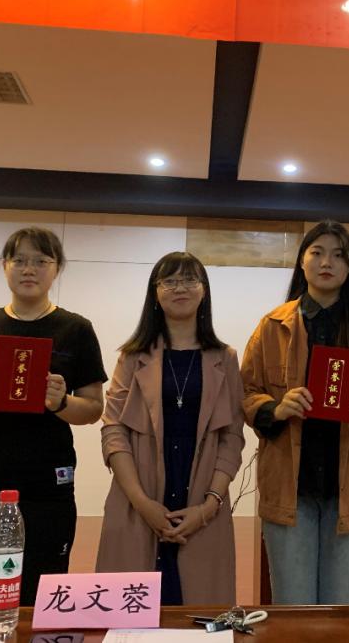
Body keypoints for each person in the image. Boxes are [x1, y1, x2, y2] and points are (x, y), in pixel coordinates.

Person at [0, 226, 106, 607]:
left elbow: (94, 409)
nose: (29, 269)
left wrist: (60, 403)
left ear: (57, 268)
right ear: (4, 266)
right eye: (19, 260)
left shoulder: (76, 329)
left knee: (38, 596)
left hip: (45, 486)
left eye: (41, 261)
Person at [241, 219, 349, 604]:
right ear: (302, 261)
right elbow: (246, 392)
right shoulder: (273, 325)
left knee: (342, 608)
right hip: (290, 487)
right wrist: (276, 408)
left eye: (338, 255)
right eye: (317, 252)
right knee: (293, 605)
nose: (326, 262)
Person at [96, 252, 244, 605]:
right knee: (131, 613)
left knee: (198, 615)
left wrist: (208, 507)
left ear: (204, 291)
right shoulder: (132, 356)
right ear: (155, 292)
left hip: (202, 492)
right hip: (140, 493)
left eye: (190, 280)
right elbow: (113, 431)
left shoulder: (225, 358)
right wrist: (142, 503)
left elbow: (232, 438)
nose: (180, 288)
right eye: (170, 281)